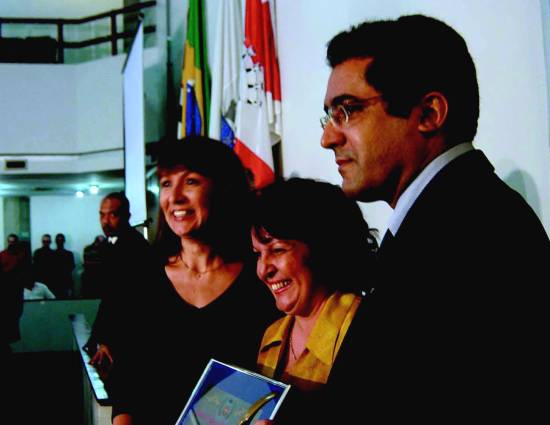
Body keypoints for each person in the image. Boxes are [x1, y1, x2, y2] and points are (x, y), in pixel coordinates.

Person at [320, 14, 550, 421]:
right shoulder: (444, 217)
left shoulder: (477, 233)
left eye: (348, 111)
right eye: (329, 116)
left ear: (428, 114)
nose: (328, 138)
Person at [110, 137, 279, 425]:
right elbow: (127, 384)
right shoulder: (141, 278)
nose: (174, 197)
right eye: (166, 184)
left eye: (191, 182)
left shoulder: (262, 278)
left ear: (223, 188)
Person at [251, 178, 377, 424]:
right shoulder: (271, 336)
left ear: (322, 247)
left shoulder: (367, 327)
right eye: (258, 254)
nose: (263, 270)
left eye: (278, 250)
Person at [87, 193, 149, 368]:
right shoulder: (111, 244)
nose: (105, 221)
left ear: (127, 216)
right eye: (102, 215)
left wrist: (107, 340)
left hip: (129, 340)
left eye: (112, 215)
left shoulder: (134, 246)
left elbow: (124, 300)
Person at [50, 233, 75, 298]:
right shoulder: (52, 254)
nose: (59, 242)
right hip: (56, 282)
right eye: (58, 240)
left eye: (60, 240)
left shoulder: (68, 254)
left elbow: (72, 267)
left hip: (64, 282)